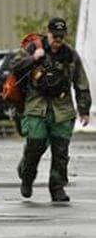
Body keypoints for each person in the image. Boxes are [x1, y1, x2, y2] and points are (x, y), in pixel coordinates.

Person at [9, 17, 91, 202]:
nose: (58, 40)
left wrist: (84, 109)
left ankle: (57, 187)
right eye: (55, 36)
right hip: (36, 105)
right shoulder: (33, 48)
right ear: (48, 33)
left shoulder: (70, 55)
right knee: (35, 145)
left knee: (61, 150)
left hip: (62, 108)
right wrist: (33, 58)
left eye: (61, 36)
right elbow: (14, 66)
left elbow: (81, 82)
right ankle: (27, 176)